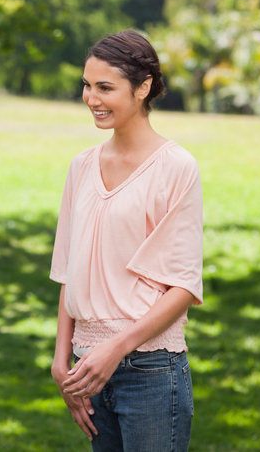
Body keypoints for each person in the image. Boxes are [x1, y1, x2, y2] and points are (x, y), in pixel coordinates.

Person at [50, 30, 203, 452]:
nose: (91, 98)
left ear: (143, 88)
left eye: (105, 87)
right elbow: (69, 269)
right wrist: (63, 360)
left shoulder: (176, 167)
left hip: (151, 372)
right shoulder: (80, 167)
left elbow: (184, 286)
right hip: (88, 370)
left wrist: (114, 349)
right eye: (87, 85)